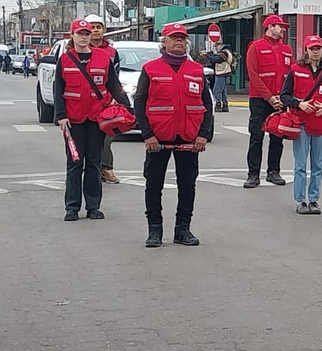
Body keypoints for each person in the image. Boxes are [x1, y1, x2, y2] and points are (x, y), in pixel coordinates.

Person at [133, 22, 213, 248]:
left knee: (187, 186)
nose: (179, 41)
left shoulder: (196, 70)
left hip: (189, 137)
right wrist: (147, 135)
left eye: (182, 38)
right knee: (153, 185)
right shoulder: (150, 69)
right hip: (158, 139)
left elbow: (206, 104)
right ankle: (154, 230)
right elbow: (139, 102)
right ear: (164, 42)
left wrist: (203, 135)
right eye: (174, 38)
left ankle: (183, 229)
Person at [54, 18, 131, 221]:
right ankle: (72, 208)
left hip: (97, 119)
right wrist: (60, 116)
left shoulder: (104, 58)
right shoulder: (64, 60)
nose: (84, 37)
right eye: (80, 33)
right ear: (72, 35)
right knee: (74, 163)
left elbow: (114, 86)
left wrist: (128, 107)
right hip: (73, 120)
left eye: (87, 33)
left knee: (94, 163)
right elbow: (58, 90)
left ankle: (93, 206)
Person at [281, 35, 322, 215]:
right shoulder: (295, 70)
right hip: (302, 123)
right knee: (300, 164)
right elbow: (284, 95)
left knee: (318, 165)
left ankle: (314, 199)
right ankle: (300, 200)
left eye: (318, 48)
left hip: (321, 124)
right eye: (312, 48)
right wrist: (299, 103)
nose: (315, 52)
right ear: (306, 50)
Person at [244, 14, 292, 189]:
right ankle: (253, 174)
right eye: (280, 26)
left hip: (280, 99)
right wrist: (270, 97)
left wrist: (285, 97)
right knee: (256, 137)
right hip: (260, 99)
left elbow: (291, 76)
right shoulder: (255, 47)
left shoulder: (286, 49)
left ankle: (273, 171)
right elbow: (254, 76)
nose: (283, 29)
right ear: (270, 27)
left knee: (277, 137)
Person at [85, 15, 123, 186]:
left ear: (103, 30)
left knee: (107, 135)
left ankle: (106, 168)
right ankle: (87, 169)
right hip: (83, 104)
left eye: (98, 27)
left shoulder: (112, 53)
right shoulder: (78, 50)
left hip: (106, 103)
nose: (95, 31)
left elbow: (115, 79)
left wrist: (118, 100)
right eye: (91, 27)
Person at [210, 42, 233, 113]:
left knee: (217, 90)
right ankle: (225, 105)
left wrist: (207, 55)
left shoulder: (224, 53)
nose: (216, 48)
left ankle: (218, 104)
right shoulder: (226, 52)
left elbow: (216, 59)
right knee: (223, 91)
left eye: (216, 47)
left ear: (220, 45)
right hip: (224, 72)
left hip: (222, 73)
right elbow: (215, 57)